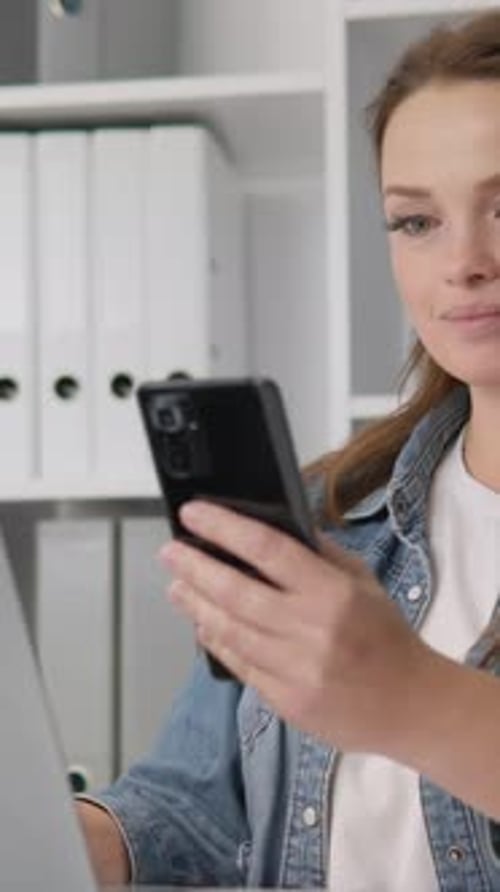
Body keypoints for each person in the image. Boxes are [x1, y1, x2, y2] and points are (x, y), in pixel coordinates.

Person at [77, 11, 500, 890]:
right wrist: (80, 843)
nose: (465, 262)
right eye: (416, 221)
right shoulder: (333, 517)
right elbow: (194, 809)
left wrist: (416, 700)